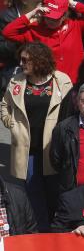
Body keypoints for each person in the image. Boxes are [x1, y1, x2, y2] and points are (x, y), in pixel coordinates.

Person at [1, 42, 73, 229]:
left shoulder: (61, 81)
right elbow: (4, 106)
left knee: (55, 192)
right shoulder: (16, 81)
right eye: (21, 59)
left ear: (39, 61)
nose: (22, 63)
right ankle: (40, 231)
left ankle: (57, 228)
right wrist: (12, 124)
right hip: (28, 150)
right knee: (33, 193)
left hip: (53, 149)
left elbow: (71, 111)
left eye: (26, 60)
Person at [2, 0, 84, 82]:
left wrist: (74, 4)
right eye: (48, 17)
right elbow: (8, 33)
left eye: (55, 18)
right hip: (47, 85)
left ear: (64, 15)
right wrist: (32, 13)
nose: (50, 21)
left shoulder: (75, 26)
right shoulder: (34, 30)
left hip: (74, 83)